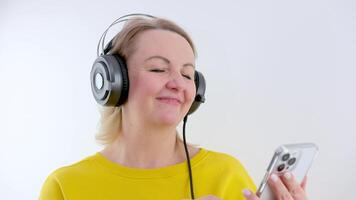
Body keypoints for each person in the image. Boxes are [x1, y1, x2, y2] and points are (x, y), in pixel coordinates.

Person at [40, 15, 309, 200]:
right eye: (158, 68)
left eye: (187, 73)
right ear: (115, 81)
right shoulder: (65, 186)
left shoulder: (227, 173)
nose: (177, 84)